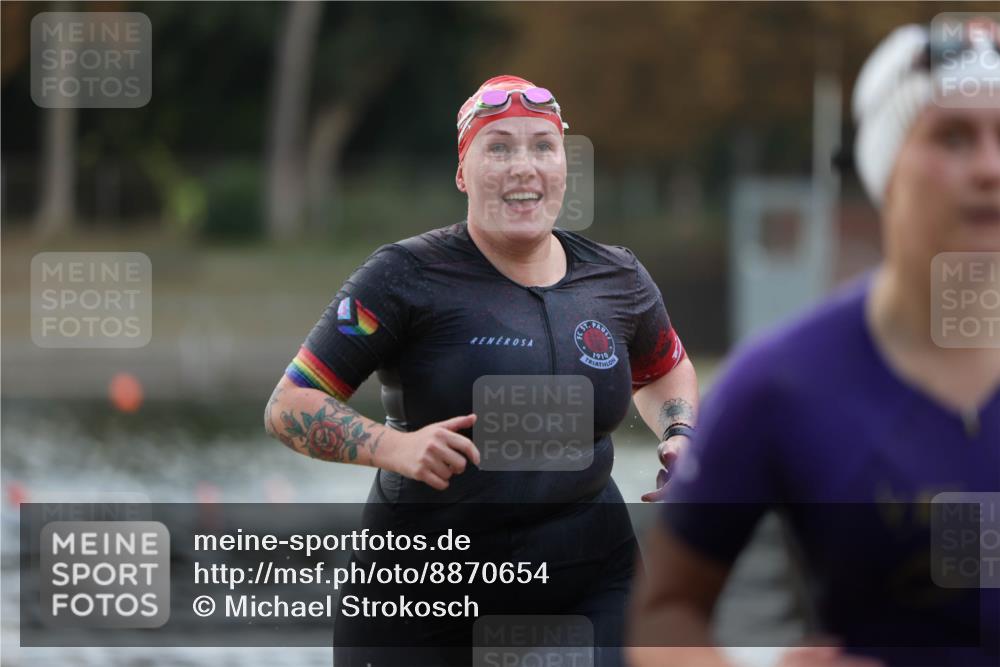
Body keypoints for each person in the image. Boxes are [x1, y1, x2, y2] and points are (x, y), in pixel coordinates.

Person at [264, 75, 699, 666]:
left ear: (563, 169)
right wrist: (392, 446)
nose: (524, 166)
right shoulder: (401, 277)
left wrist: (680, 435)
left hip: (589, 579)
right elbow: (289, 404)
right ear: (463, 173)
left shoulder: (617, 279)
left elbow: (664, 370)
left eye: (542, 147)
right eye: (499, 148)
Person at [627, 22, 1000, 667]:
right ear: (886, 167)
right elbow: (664, 615)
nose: (991, 167)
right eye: (953, 136)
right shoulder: (785, 383)